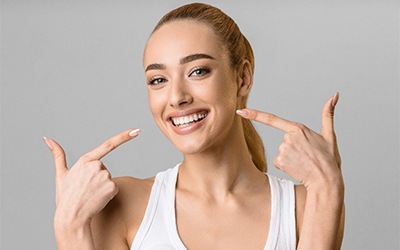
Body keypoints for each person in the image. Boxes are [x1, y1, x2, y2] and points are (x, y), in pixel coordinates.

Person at [43, 3, 345, 249]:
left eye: (198, 71)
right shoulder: (122, 205)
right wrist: (69, 228)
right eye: (158, 80)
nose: (176, 97)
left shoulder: (305, 206)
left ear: (242, 77)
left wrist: (328, 186)